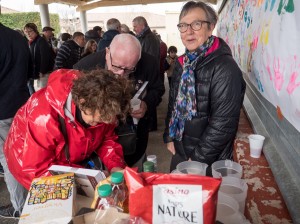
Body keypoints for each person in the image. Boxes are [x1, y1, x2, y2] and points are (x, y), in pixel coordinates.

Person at [3, 68, 132, 217]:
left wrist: (115, 165)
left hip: (67, 157)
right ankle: (19, 210)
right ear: (83, 103)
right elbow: (37, 170)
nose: (102, 123)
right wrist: (88, 177)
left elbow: (107, 138)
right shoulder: (43, 116)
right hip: (26, 159)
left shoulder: (102, 103)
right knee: (49, 211)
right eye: (97, 120)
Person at [163, 1, 246, 172]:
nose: (189, 31)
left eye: (196, 24)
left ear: (211, 27)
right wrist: (170, 137)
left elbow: (223, 123)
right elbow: (173, 104)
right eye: (183, 26)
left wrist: (197, 160)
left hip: (207, 159)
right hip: (180, 148)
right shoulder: (182, 63)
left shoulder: (225, 68)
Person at [74, 34, 165, 171]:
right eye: (117, 67)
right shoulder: (84, 68)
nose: (121, 74)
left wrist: (146, 103)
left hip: (134, 136)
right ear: (107, 53)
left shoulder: (149, 63)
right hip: (96, 140)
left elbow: (158, 89)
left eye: (129, 69)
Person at [0, 23, 31, 218]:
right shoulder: (18, 38)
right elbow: (29, 74)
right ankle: (37, 203)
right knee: (28, 155)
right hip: (21, 107)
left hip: (1, 113)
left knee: (8, 160)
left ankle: (21, 208)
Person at [24, 23, 54, 93]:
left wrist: (42, 71)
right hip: (39, 73)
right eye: (26, 32)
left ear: (35, 30)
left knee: (44, 92)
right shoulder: (32, 42)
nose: (28, 34)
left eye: (30, 31)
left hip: (44, 73)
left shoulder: (41, 40)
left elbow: (45, 56)